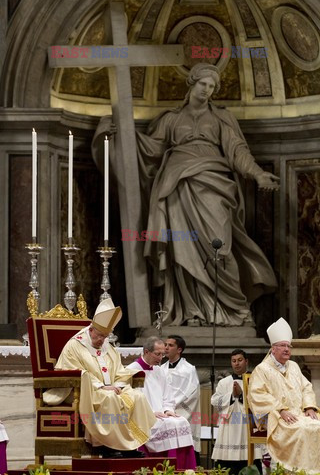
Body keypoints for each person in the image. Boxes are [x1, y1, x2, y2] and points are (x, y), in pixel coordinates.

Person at [136, 62, 279, 327]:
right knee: (181, 246)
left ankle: (231, 307)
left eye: (212, 86)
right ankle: (191, 310)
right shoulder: (170, 118)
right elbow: (150, 149)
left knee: (219, 246)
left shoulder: (221, 117)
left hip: (214, 185)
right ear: (191, 83)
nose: (207, 90)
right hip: (176, 185)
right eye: (203, 84)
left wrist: (257, 174)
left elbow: (237, 151)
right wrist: (122, 133)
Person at [43, 298, 156, 458]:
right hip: (83, 391)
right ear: (91, 330)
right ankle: (107, 446)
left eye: (106, 336)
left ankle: (130, 445)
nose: (102, 340)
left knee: (137, 396)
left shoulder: (107, 346)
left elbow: (118, 370)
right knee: (109, 398)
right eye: (100, 336)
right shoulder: (75, 346)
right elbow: (73, 371)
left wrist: (119, 385)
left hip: (108, 389)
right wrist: (101, 386)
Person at [248, 317, 320, 473]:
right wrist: (280, 409)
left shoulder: (293, 366)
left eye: (289, 346)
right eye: (282, 346)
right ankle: (294, 471)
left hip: (299, 413)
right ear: (273, 349)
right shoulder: (262, 369)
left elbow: (306, 387)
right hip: (276, 417)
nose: (287, 349)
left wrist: (309, 407)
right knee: (301, 429)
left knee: (316, 425)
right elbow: (257, 395)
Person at [128, 336, 196, 470]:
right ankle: (166, 468)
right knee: (169, 424)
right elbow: (129, 399)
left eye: (162, 354)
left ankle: (183, 469)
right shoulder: (131, 370)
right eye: (157, 354)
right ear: (146, 352)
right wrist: (151, 413)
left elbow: (168, 395)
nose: (160, 358)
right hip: (143, 417)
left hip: (161, 414)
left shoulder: (159, 371)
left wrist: (168, 410)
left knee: (182, 422)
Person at [211, 349, 262, 473]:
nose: (237, 363)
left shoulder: (255, 380)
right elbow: (215, 401)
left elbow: (260, 402)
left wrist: (241, 395)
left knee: (249, 461)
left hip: (247, 426)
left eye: (240, 360)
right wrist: (231, 396)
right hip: (229, 427)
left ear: (246, 361)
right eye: (234, 361)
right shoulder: (224, 382)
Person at [161, 335, 201, 461]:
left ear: (179, 350)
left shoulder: (188, 370)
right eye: (165, 345)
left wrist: (170, 406)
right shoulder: (160, 369)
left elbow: (191, 393)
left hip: (182, 411)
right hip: (164, 412)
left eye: (170, 345)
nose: (166, 348)